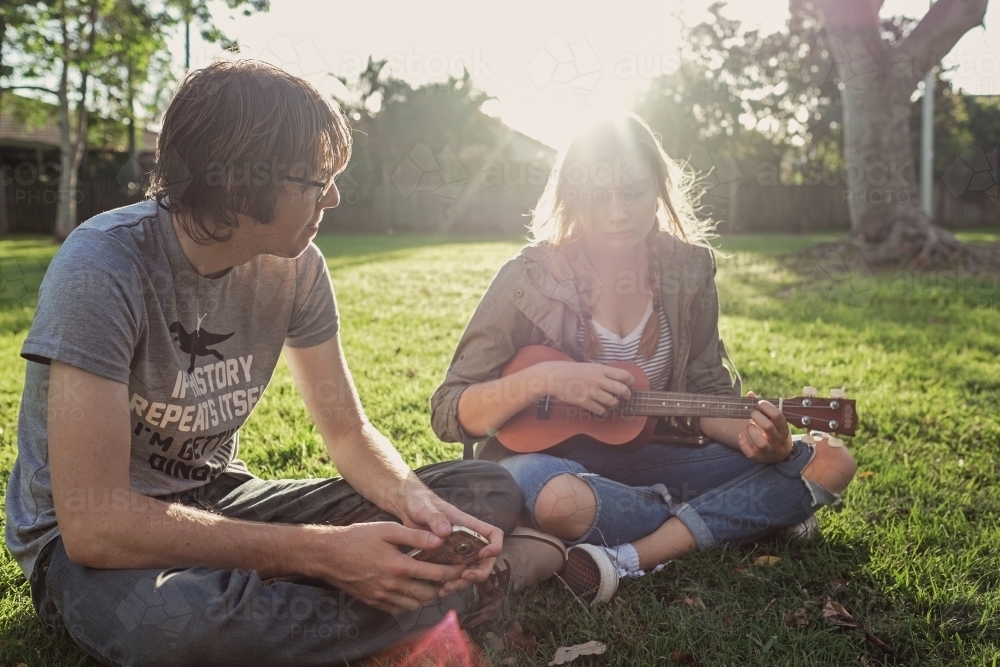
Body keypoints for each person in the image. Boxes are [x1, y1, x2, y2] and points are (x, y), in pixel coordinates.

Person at [5, 60, 561, 667]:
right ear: (241, 181)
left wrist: (414, 503)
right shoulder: (102, 269)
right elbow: (97, 524)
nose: (335, 196)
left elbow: (348, 433)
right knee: (180, 628)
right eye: (317, 179)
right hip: (91, 548)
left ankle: (328, 594)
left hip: (220, 499)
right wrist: (322, 553)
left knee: (480, 491)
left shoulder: (298, 268)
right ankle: (446, 592)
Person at [431, 112, 858, 606]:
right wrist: (548, 378)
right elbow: (449, 410)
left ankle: (630, 556)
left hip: (662, 457)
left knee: (830, 462)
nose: (617, 213)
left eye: (632, 192)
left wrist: (759, 441)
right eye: (597, 196)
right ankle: (742, 515)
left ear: (658, 187)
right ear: (572, 196)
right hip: (550, 469)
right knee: (555, 501)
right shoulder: (527, 277)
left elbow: (706, 399)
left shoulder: (689, 270)